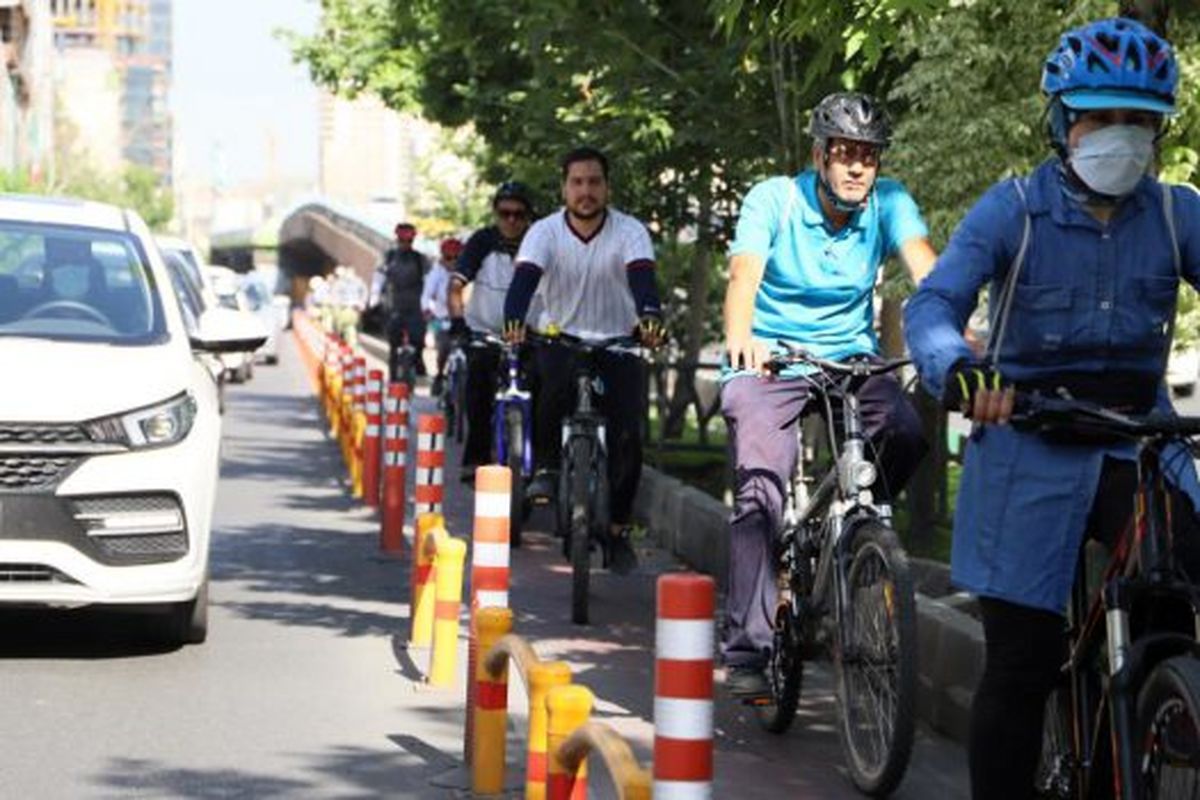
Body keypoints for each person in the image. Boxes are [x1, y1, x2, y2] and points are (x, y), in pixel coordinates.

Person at [903, 18, 1200, 800]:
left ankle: (1152, 723)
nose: (1122, 137)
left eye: (1139, 121)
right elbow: (932, 306)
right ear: (1064, 122)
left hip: (1137, 440)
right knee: (1021, 662)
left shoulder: (1177, 214)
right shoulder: (1014, 212)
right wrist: (959, 371)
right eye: (1103, 117)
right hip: (1026, 440)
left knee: (1178, 605)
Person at [720, 91, 937, 698]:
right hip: (771, 358)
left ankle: (852, 539)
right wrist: (743, 339)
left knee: (906, 431)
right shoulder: (775, 199)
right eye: (843, 152)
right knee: (762, 486)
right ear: (819, 154)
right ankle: (748, 646)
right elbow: (744, 274)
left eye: (867, 155)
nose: (856, 166)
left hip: (851, 355)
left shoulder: (889, 202)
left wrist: (951, 333)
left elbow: (927, 270)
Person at [503, 146, 666, 574]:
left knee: (629, 437)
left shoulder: (630, 232)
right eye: (577, 182)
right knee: (549, 389)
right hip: (563, 339)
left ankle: (616, 531)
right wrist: (514, 318)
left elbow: (643, 280)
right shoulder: (543, 232)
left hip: (618, 344)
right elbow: (523, 281)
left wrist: (649, 315)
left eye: (594, 182)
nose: (586, 191)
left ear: (607, 187)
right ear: (564, 188)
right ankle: (547, 469)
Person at [449, 181, 538, 483]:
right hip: (484, 332)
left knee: (548, 389)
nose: (511, 220)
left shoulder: (539, 243)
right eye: (504, 213)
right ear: (495, 213)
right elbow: (457, 285)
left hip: (531, 334)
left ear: (528, 216)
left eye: (518, 214)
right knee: (478, 392)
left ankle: (544, 466)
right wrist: (459, 322)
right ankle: (475, 458)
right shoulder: (481, 242)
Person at [371, 222, 430, 381]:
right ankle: (393, 380)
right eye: (402, 241)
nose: (405, 244)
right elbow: (379, 278)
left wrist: (429, 304)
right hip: (394, 305)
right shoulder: (388, 257)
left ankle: (418, 360)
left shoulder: (420, 259)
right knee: (393, 345)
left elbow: (429, 281)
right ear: (397, 239)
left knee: (418, 338)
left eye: (408, 241)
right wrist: (374, 298)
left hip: (415, 305)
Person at [423, 237, 461, 395]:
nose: (452, 262)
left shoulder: (468, 271)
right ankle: (439, 377)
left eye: (456, 258)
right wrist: (428, 311)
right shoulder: (436, 273)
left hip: (463, 319)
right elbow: (426, 296)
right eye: (448, 258)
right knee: (444, 347)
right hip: (442, 318)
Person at [329, 264, 368, 347]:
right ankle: (351, 341)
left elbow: (335, 295)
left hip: (347, 307)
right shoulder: (358, 281)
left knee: (347, 325)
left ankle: (347, 341)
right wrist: (362, 303)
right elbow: (364, 292)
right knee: (352, 326)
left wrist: (361, 303)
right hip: (352, 307)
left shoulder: (341, 283)